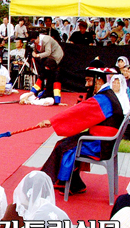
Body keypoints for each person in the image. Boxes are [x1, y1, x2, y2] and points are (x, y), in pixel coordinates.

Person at [38, 59, 124, 194]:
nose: (86, 84)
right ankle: (72, 182)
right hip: (103, 141)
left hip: (100, 145)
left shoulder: (103, 99)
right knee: (65, 142)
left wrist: (52, 121)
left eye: (89, 81)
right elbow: (83, 111)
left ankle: (47, 181)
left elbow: (79, 112)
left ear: (99, 80)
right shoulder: (107, 95)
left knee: (64, 147)